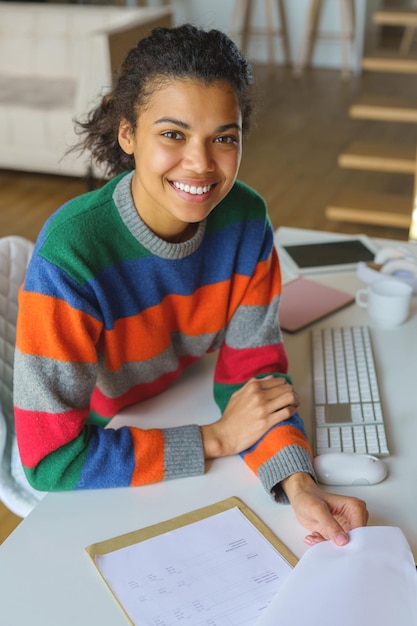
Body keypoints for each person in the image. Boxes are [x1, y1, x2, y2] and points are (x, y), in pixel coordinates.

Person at [13, 24, 367, 546]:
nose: (201, 163)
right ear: (127, 133)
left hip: (175, 399)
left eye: (224, 137)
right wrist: (217, 438)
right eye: (173, 134)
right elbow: (49, 460)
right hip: (107, 443)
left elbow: (254, 376)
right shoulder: (72, 253)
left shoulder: (246, 221)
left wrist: (297, 482)